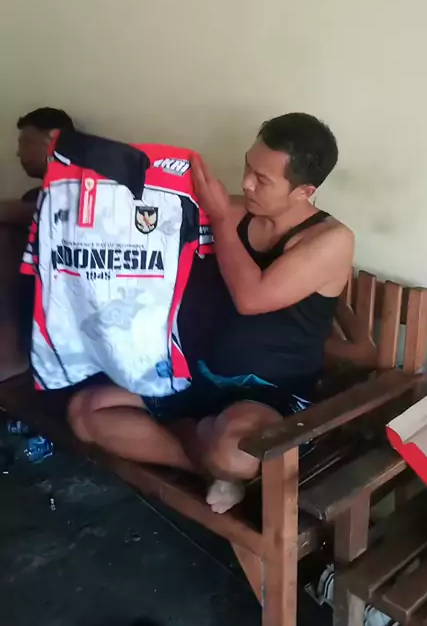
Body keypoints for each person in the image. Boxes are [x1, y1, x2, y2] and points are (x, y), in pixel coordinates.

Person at [68, 113, 354, 513]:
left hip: (268, 396)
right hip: (196, 377)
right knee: (85, 414)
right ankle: (204, 466)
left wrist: (219, 217)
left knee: (236, 450)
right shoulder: (237, 213)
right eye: (247, 167)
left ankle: (204, 448)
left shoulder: (331, 240)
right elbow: (150, 218)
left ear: (304, 191)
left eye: (262, 179)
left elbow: (251, 298)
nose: (245, 183)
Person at [0, 107, 75, 226]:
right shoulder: (33, 196)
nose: (19, 153)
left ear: (52, 140)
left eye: (27, 142)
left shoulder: (88, 191)